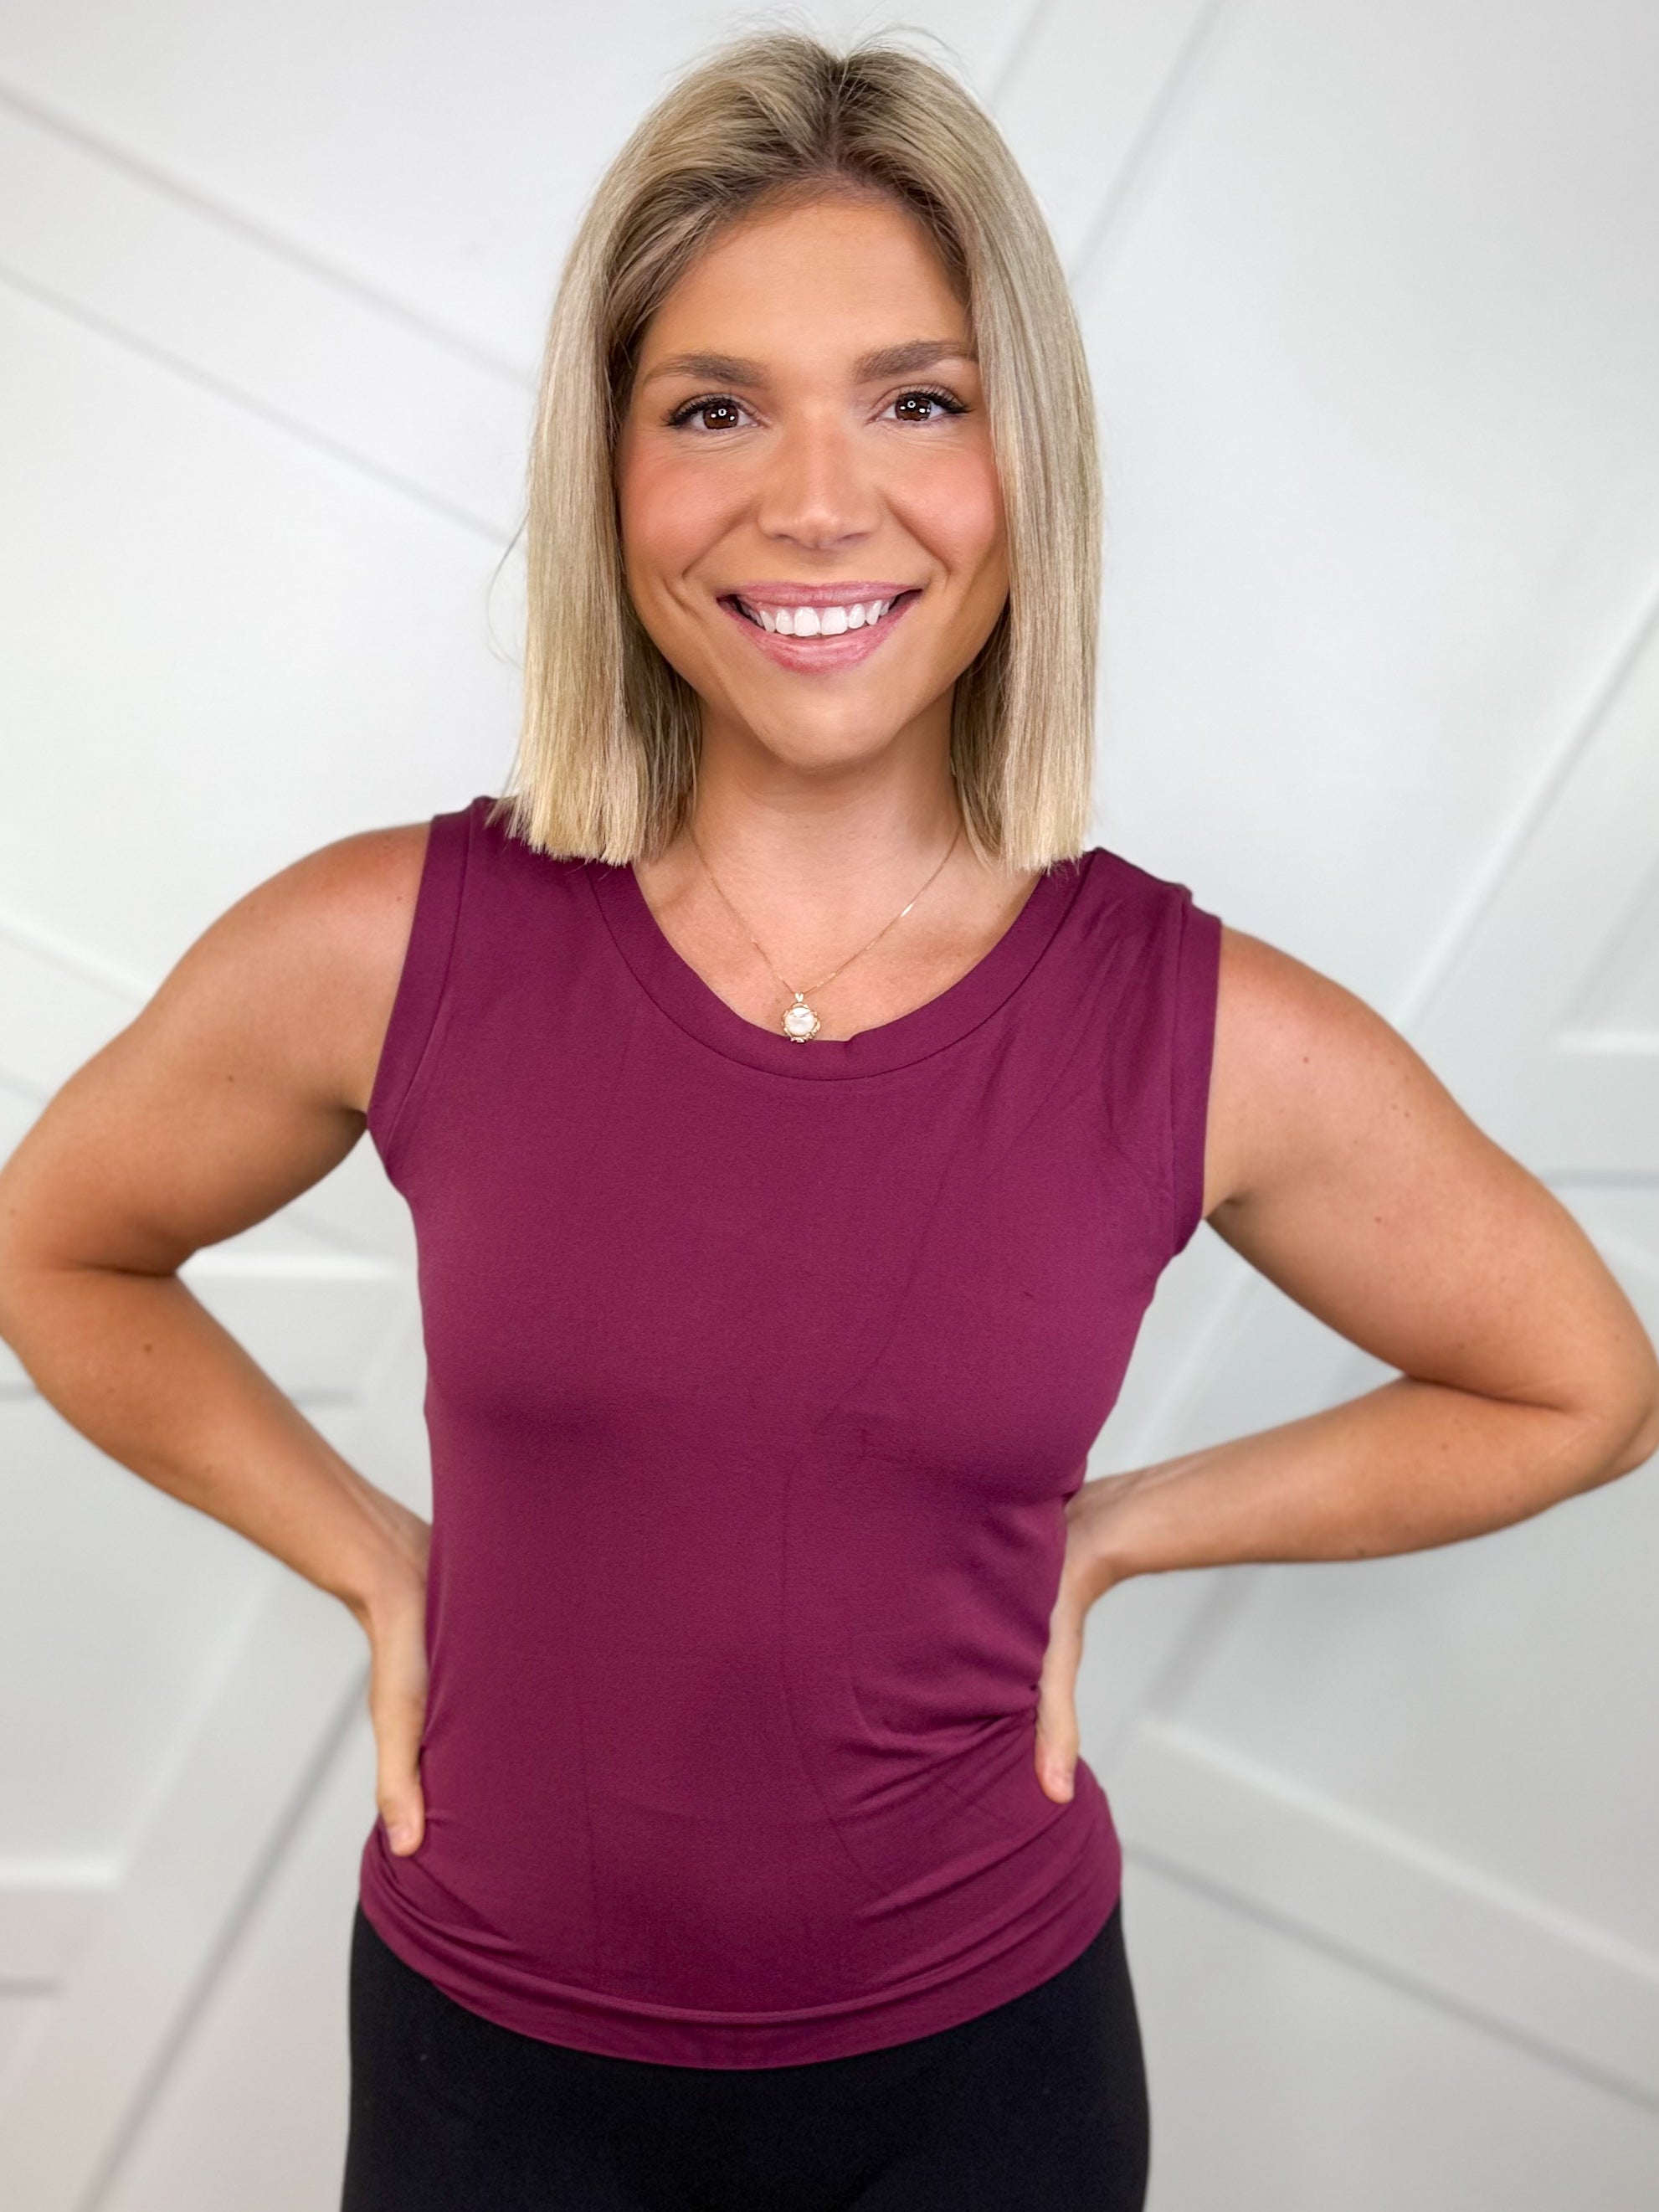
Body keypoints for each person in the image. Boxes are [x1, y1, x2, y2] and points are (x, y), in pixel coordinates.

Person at [1, 27, 1655, 2212]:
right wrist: (376, 1562)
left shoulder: (1190, 1025)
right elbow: (56, 1242)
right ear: (612, 476)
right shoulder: (391, 944)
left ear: (1024, 465)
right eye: (714, 409)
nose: (813, 500)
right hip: (490, 2076)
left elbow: (1581, 1383)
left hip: (985, 2092)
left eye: (916, 400)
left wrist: (1114, 1532)